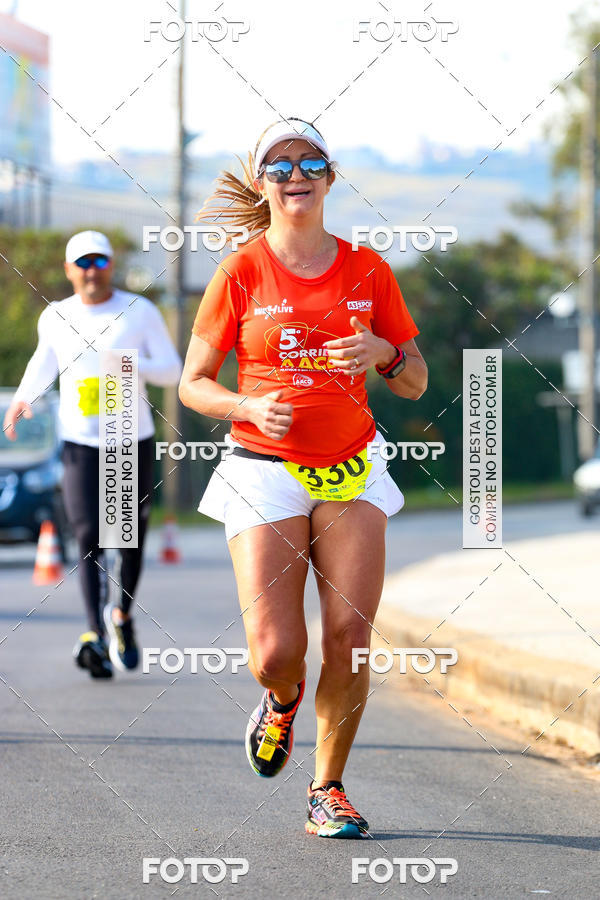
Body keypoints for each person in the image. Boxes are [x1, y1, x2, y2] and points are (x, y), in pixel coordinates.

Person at [179, 119, 427, 838]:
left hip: (351, 468)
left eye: (311, 162)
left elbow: (413, 381)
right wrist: (246, 402)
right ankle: (281, 701)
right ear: (263, 182)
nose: (297, 175)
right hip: (263, 469)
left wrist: (383, 350)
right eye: (281, 165)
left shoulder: (369, 270)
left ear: (331, 175)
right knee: (277, 652)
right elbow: (195, 383)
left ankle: (328, 788)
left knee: (349, 636)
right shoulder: (240, 271)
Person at [3, 230, 182, 678]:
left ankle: (120, 616)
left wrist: (127, 362)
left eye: (99, 262)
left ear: (111, 267)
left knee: (127, 538)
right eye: (82, 263)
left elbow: (173, 370)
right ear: (69, 270)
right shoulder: (56, 316)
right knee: (87, 536)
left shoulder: (138, 312)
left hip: (128, 440)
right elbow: (43, 362)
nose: (91, 270)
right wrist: (23, 397)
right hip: (80, 443)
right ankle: (95, 635)